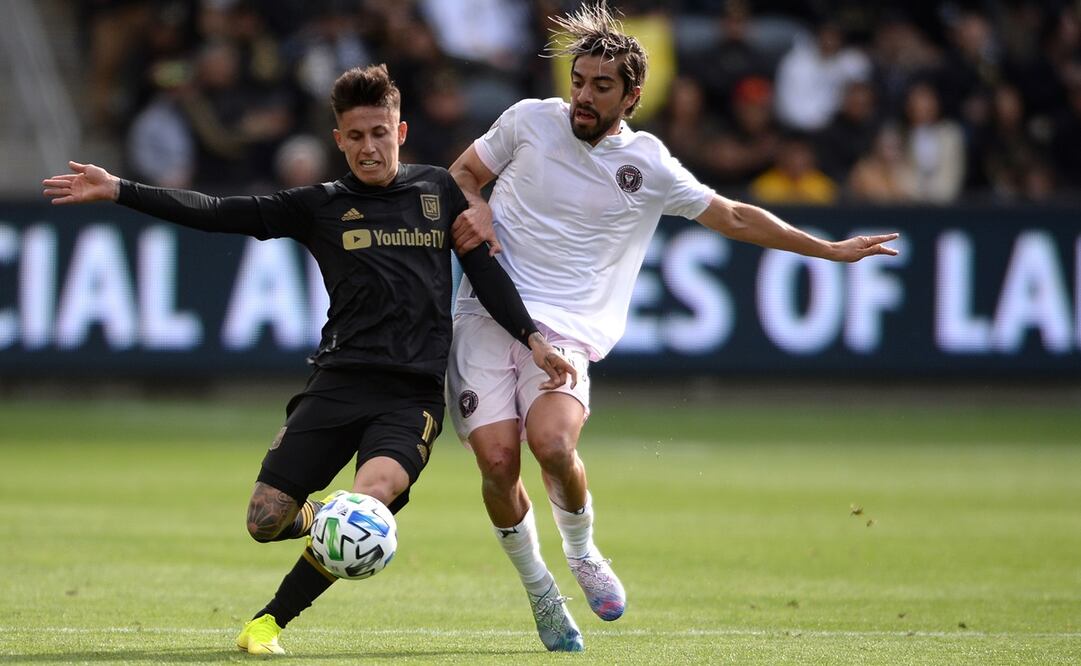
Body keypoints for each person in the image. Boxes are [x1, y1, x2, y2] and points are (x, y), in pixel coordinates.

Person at [41, 63, 577, 656]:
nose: (369, 147)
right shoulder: (319, 204)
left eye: (380, 132)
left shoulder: (437, 192)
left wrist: (532, 338)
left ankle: (267, 623)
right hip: (339, 382)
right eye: (356, 136)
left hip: (410, 396)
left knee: (364, 509)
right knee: (265, 520)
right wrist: (120, 189)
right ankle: (319, 522)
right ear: (339, 141)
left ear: (399, 133)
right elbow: (220, 212)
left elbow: (483, 272)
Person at [446, 2, 899, 653]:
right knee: (495, 460)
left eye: (601, 87)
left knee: (550, 443)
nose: (582, 95)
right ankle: (540, 591)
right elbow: (461, 175)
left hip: (570, 328)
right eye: (578, 81)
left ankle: (581, 551)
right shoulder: (525, 122)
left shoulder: (650, 165)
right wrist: (478, 209)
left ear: (631, 97)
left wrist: (827, 250)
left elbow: (735, 216)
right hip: (488, 315)